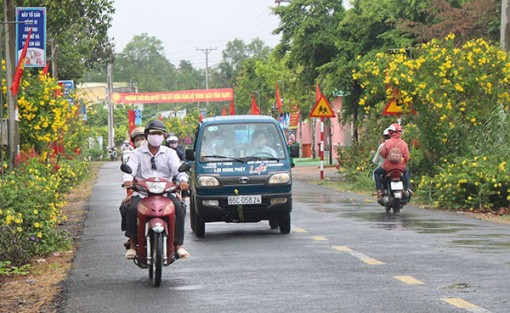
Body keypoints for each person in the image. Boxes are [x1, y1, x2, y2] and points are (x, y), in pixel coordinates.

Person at [122, 120, 190, 260]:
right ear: (147, 135)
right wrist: (127, 179)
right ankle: (133, 245)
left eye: (159, 133)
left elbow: (178, 170)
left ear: (163, 136)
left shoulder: (170, 153)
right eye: (153, 133)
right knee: (131, 208)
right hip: (142, 193)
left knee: (180, 207)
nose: (156, 136)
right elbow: (130, 169)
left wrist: (183, 180)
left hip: (166, 193)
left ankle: (178, 245)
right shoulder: (137, 153)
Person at [373, 123, 411, 200]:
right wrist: (402, 163)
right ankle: (407, 189)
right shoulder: (404, 143)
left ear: (391, 132)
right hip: (400, 168)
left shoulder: (387, 142)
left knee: (376, 172)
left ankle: (379, 190)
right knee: (406, 172)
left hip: (388, 168)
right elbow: (407, 157)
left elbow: (383, 154)